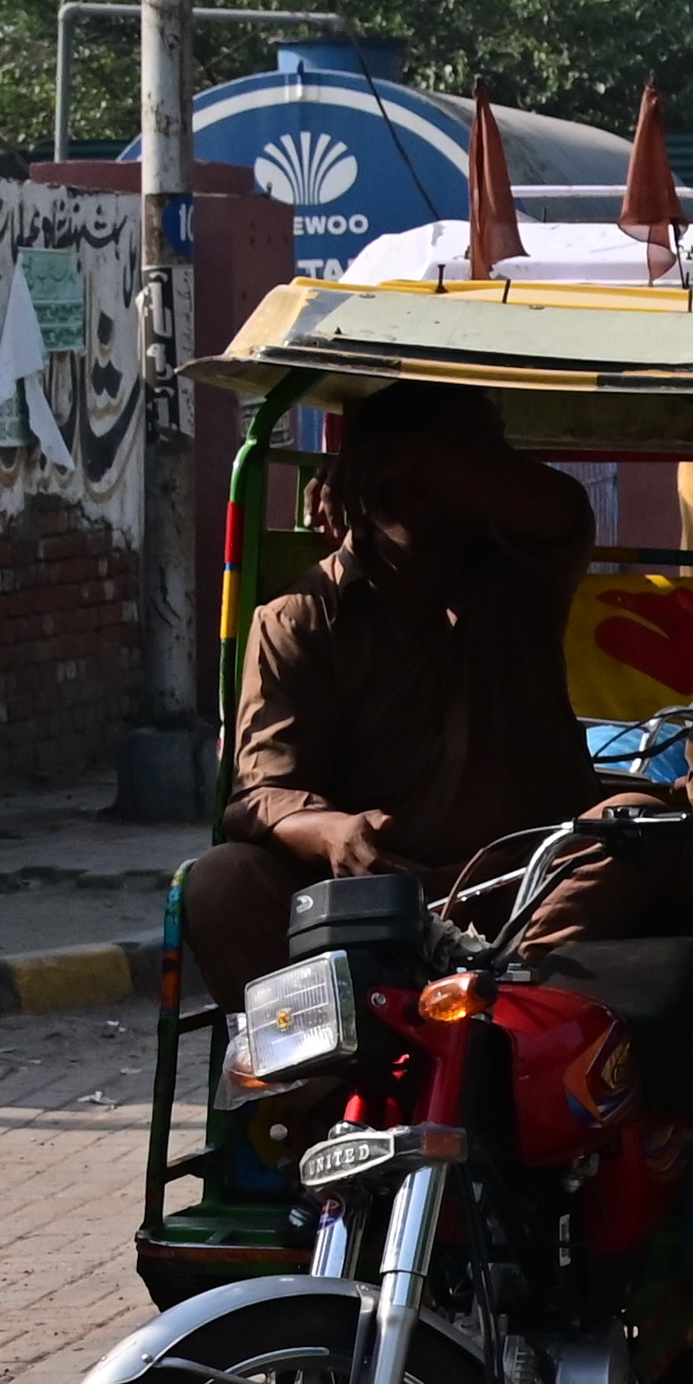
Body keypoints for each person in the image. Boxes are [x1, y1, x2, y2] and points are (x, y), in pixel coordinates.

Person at [178, 383, 613, 1001]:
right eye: (474, 454)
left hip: (523, 889)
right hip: (372, 901)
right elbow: (263, 794)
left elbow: (563, 507)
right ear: (392, 484)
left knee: (641, 831)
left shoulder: (522, 574)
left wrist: (424, 457)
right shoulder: (300, 617)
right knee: (222, 882)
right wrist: (332, 832)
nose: (494, 475)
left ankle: (501, 993)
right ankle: (327, 1083)